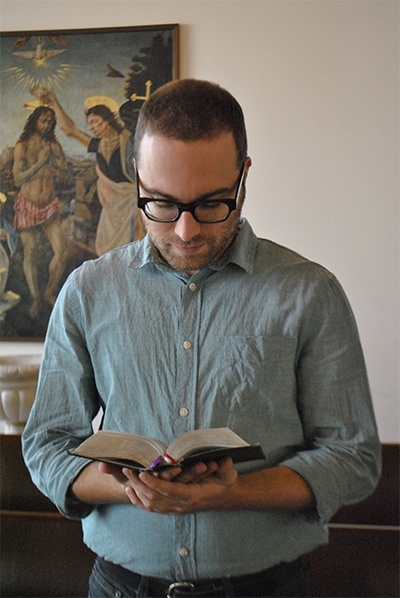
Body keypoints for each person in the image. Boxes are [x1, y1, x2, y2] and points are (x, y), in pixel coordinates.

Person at [22, 79, 381, 598]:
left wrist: (231, 495)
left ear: (244, 176)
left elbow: (352, 455)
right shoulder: (88, 291)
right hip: (120, 586)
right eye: (161, 204)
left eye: (213, 203)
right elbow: (46, 444)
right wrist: (129, 488)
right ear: (138, 179)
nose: (186, 231)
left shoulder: (311, 293)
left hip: (268, 587)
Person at [32, 86, 145, 256]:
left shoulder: (129, 140)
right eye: (89, 124)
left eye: (94, 122)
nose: (91, 128)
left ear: (106, 120)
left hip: (131, 204)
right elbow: (70, 130)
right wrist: (54, 102)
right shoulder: (99, 145)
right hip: (111, 209)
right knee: (107, 251)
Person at [13, 105, 69, 318]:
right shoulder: (22, 146)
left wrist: (56, 159)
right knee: (32, 251)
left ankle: (49, 292)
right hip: (28, 203)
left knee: (62, 251)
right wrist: (39, 163)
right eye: (43, 121)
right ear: (34, 121)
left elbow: (65, 174)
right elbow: (18, 179)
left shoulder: (53, 145)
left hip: (49, 206)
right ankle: (35, 298)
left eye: (50, 122)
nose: (47, 125)